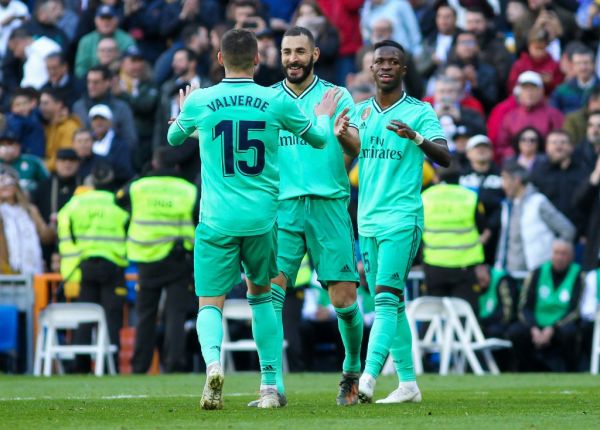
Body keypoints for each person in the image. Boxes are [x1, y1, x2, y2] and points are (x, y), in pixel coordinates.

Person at [167, 28, 340, 410]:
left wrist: (184, 111)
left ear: (219, 59)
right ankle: (267, 387)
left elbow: (174, 141)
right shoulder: (274, 100)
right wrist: (324, 116)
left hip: (216, 221)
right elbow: (320, 140)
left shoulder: (203, 101)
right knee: (262, 299)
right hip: (263, 220)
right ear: (259, 60)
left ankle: (214, 365)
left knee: (209, 304)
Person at [247, 26, 362, 407]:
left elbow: (356, 144)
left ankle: (350, 371)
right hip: (282, 208)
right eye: (286, 52)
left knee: (344, 300)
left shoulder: (336, 95)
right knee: (270, 293)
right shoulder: (266, 99)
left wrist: (343, 133)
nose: (292, 58)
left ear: (314, 55)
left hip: (329, 205)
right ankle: (271, 386)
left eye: (299, 51)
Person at [354, 40, 450, 404]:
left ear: (403, 70)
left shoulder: (420, 111)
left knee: (384, 299)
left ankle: (369, 376)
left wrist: (417, 138)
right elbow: (345, 150)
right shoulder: (360, 112)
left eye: (394, 61)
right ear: (372, 68)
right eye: (380, 61)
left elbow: (446, 157)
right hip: (368, 222)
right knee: (391, 306)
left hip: (402, 219)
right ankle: (408, 383)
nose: (386, 66)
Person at [118, 148, 197, 373]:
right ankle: (173, 363)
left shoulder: (139, 186)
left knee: (145, 315)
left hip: (146, 258)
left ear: (154, 163)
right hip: (178, 258)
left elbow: (118, 200)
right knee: (175, 314)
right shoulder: (188, 189)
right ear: (177, 166)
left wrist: (141, 176)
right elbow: (197, 216)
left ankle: (140, 365)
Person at [58, 162, 129, 373]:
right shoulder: (118, 203)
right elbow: (130, 228)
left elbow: (63, 225)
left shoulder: (76, 202)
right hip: (113, 266)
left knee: (85, 316)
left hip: (85, 265)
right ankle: (110, 366)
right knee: (112, 317)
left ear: (91, 182)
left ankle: (80, 365)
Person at [507, 240, 583, 372]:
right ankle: (529, 370)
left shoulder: (577, 274)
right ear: (551, 255)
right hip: (536, 325)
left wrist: (552, 328)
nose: (560, 257)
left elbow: (575, 310)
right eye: (557, 253)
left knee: (570, 333)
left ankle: (569, 371)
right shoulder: (537, 273)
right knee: (515, 331)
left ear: (571, 256)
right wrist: (533, 328)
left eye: (564, 254)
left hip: (560, 325)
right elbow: (524, 308)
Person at [422, 162, 486, 315]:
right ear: (460, 177)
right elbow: (482, 227)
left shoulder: (425, 197)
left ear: (437, 177)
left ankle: (428, 339)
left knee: (432, 316)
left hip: (434, 265)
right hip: (464, 266)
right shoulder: (471, 197)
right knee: (465, 315)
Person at [495, 162, 575, 274]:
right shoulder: (508, 206)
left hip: (537, 274)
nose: (503, 185)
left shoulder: (538, 202)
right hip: (511, 274)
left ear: (517, 180)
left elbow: (567, 230)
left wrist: (554, 255)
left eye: (505, 179)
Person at [0, 164, 51, 274]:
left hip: (33, 268)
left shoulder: (29, 210)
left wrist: (53, 225)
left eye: (9, 182)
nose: (5, 186)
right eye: (1, 182)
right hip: (6, 272)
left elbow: (46, 236)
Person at [39, 88, 82, 172]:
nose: (42, 107)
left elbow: (65, 155)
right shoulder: (47, 125)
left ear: (59, 104)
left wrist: (40, 167)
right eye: (41, 103)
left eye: (46, 103)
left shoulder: (69, 127)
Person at [0, 129, 48, 196]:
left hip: (30, 201)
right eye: (2, 144)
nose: (6, 148)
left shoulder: (33, 162)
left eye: (10, 144)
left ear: (18, 146)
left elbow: (48, 183)